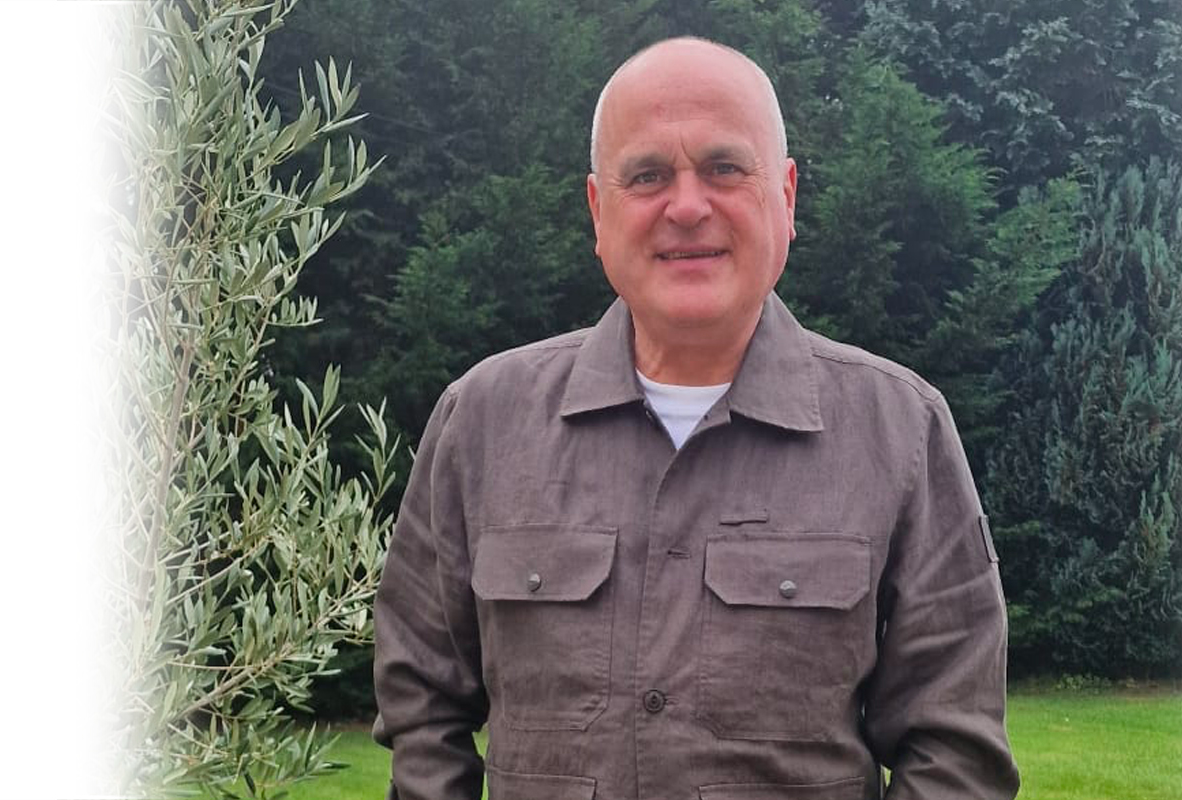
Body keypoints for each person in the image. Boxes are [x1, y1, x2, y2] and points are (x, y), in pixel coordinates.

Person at [372, 36, 1019, 800]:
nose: (685, 207)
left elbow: (954, 751)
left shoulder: (902, 432)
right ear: (599, 210)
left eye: (724, 168)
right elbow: (422, 704)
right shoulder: (482, 424)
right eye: (647, 175)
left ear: (786, 196)